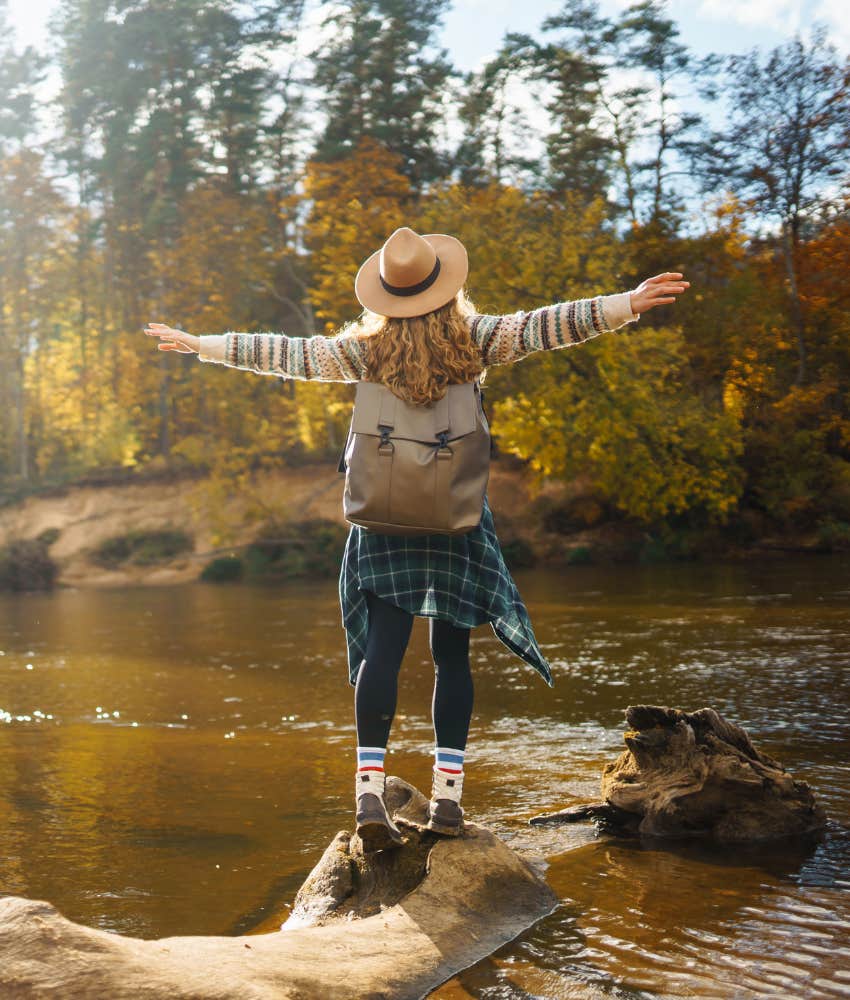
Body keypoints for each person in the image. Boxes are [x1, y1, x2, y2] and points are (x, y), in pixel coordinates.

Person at [145, 226, 690, 853]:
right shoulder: (476, 340)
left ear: (385, 295)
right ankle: (449, 803)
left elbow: (283, 353)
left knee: (382, 654)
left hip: (382, 519)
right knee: (451, 656)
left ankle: (368, 792)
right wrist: (626, 301)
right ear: (446, 286)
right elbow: (552, 325)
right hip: (454, 518)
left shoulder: (363, 352)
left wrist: (204, 344)